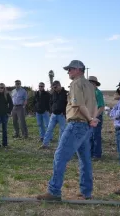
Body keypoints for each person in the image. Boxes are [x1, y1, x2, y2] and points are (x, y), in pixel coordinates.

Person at [37, 60, 99, 201]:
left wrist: (89, 119)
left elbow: (79, 104)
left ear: (78, 69)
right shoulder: (90, 86)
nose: (68, 72)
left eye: (70, 69)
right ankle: (86, 192)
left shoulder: (76, 84)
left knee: (59, 156)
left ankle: (54, 191)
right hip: (86, 127)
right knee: (85, 160)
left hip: (76, 124)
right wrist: (92, 119)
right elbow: (95, 105)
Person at [39, 81, 67, 148]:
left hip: (61, 115)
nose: (54, 89)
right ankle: (45, 144)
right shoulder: (53, 93)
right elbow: (50, 102)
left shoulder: (65, 93)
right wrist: (51, 111)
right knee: (49, 129)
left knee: (62, 130)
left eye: (55, 87)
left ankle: (60, 146)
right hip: (53, 115)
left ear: (59, 85)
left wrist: (65, 112)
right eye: (53, 87)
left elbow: (68, 104)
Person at [88, 76, 105, 159]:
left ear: (94, 84)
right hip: (90, 117)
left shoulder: (98, 93)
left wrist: (94, 117)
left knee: (96, 136)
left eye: (90, 83)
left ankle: (97, 154)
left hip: (96, 117)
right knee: (90, 136)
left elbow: (101, 107)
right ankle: (91, 153)